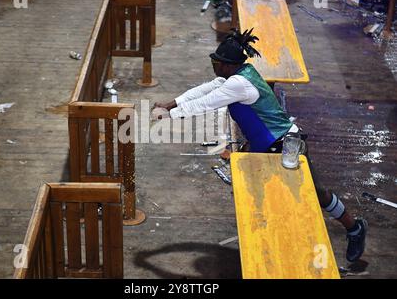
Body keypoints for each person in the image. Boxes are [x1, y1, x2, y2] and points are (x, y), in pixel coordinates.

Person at [154, 28, 367, 262]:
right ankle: (267, 244)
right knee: (255, 194)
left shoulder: (238, 84)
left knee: (316, 194)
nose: (213, 65)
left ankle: (354, 228)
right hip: (263, 145)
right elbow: (205, 88)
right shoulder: (236, 74)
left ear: (226, 64)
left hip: (285, 145)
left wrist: (169, 115)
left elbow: (204, 103)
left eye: (215, 61)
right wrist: (169, 104)